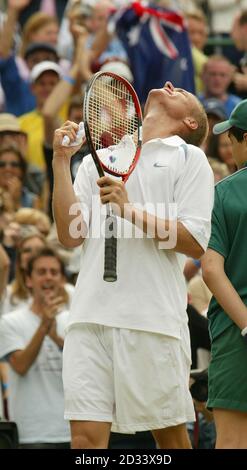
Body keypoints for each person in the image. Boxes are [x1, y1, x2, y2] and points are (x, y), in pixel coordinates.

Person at [52, 80, 214, 449]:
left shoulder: (189, 159)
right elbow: (70, 235)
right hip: (89, 318)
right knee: (84, 442)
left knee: (170, 439)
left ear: (190, 124)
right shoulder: (98, 159)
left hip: (151, 322)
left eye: (184, 94)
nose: (170, 84)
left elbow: (193, 242)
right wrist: (61, 162)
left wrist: (128, 210)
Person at [201, 98, 247, 449]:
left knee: (232, 442)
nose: (228, 144)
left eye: (232, 136)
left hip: (236, 335)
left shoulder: (224, 192)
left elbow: (212, 270)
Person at [0, 247, 70, 448]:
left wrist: (57, 338)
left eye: (54, 272)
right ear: (28, 280)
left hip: (71, 431)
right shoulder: (10, 322)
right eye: (41, 272)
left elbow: (84, 368)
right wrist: (44, 327)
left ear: (62, 280)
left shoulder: (73, 321)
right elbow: (20, 366)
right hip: (31, 433)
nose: (48, 277)